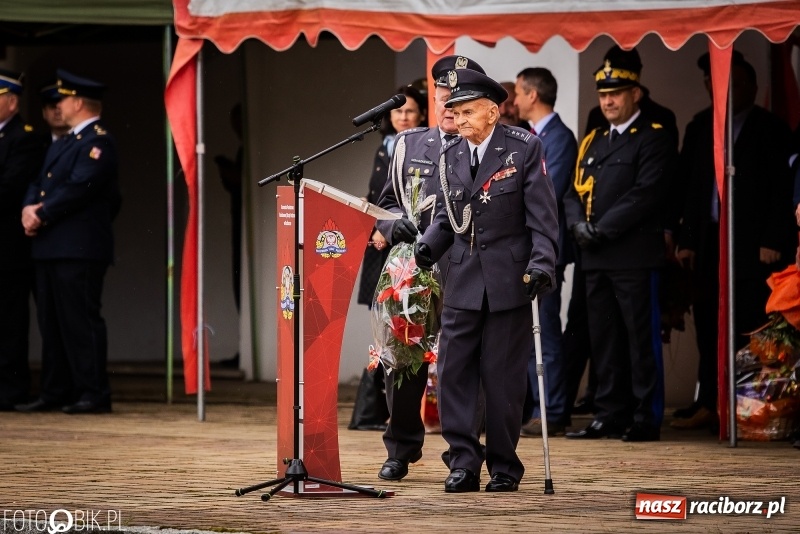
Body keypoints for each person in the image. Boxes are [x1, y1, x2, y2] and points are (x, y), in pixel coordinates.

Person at [415, 68, 558, 492]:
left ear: (493, 112)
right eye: (455, 111)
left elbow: (543, 218)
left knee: (501, 378)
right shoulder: (451, 155)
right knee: (453, 372)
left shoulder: (523, 148)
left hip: (508, 278)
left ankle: (503, 465)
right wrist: (426, 247)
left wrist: (543, 264)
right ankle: (462, 461)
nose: (458, 119)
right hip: (461, 276)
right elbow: (448, 217)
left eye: (468, 111)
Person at [371, 55, 485, 481]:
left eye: (459, 97)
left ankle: (462, 453)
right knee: (404, 359)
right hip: (412, 268)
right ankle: (401, 447)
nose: (450, 105)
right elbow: (385, 201)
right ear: (434, 97)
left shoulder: (487, 147)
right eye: (443, 95)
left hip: (465, 266)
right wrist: (391, 224)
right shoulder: (409, 144)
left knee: (462, 363)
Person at [673, 51, 795, 429]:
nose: (727, 91)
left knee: (748, 324)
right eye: (720, 84)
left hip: (752, 246)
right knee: (708, 324)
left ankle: (746, 407)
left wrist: (773, 237)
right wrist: (686, 240)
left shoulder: (770, 128)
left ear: (753, 87)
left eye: (737, 84)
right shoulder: (700, 126)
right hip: (709, 242)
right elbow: (690, 189)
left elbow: (781, 190)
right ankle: (709, 401)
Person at [563, 49, 675, 442]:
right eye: (603, 95)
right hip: (595, 255)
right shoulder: (593, 140)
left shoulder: (653, 136)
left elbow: (646, 194)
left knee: (640, 338)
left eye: (616, 93)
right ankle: (609, 413)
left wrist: (600, 229)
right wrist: (577, 225)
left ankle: (645, 417)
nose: (608, 101)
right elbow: (572, 192)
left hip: (633, 256)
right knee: (604, 339)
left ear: (636, 94)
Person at [17, 69, 121, 414]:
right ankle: (56, 390)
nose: (58, 106)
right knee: (52, 324)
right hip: (50, 246)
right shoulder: (64, 142)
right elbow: (38, 181)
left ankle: (92, 392)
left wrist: (41, 213)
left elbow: (80, 187)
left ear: (78, 103)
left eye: (63, 100)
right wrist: (28, 208)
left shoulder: (97, 141)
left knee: (80, 321)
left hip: (78, 247)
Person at [349, 85, 428, 431]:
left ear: (422, 114)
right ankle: (369, 413)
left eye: (410, 111)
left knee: (407, 327)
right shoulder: (386, 147)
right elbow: (381, 196)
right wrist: (375, 220)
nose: (403, 117)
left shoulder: (425, 146)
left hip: (410, 243)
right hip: (382, 242)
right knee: (383, 327)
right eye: (398, 111)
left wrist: (391, 227)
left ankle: (383, 412)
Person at [513, 67, 577, 437]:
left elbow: (548, 190)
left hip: (545, 250)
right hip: (524, 249)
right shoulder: (530, 135)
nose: (515, 100)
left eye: (519, 92)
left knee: (546, 332)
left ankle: (551, 410)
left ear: (533, 95)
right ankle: (536, 407)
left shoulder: (559, 138)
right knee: (528, 333)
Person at [0, 69, 47, 411]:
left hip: (8, 248)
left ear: (12, 102)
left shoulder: (24, 138)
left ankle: (10, 390)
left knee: (9, 321)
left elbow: (10, 188)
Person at [214, 103, 244, 368]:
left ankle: (245, 350)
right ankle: (243, 346)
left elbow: (244, 182)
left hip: (246, 221)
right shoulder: (243, 149)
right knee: (238, 282)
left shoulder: (249, 150)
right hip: (238, 219)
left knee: (242, 281)